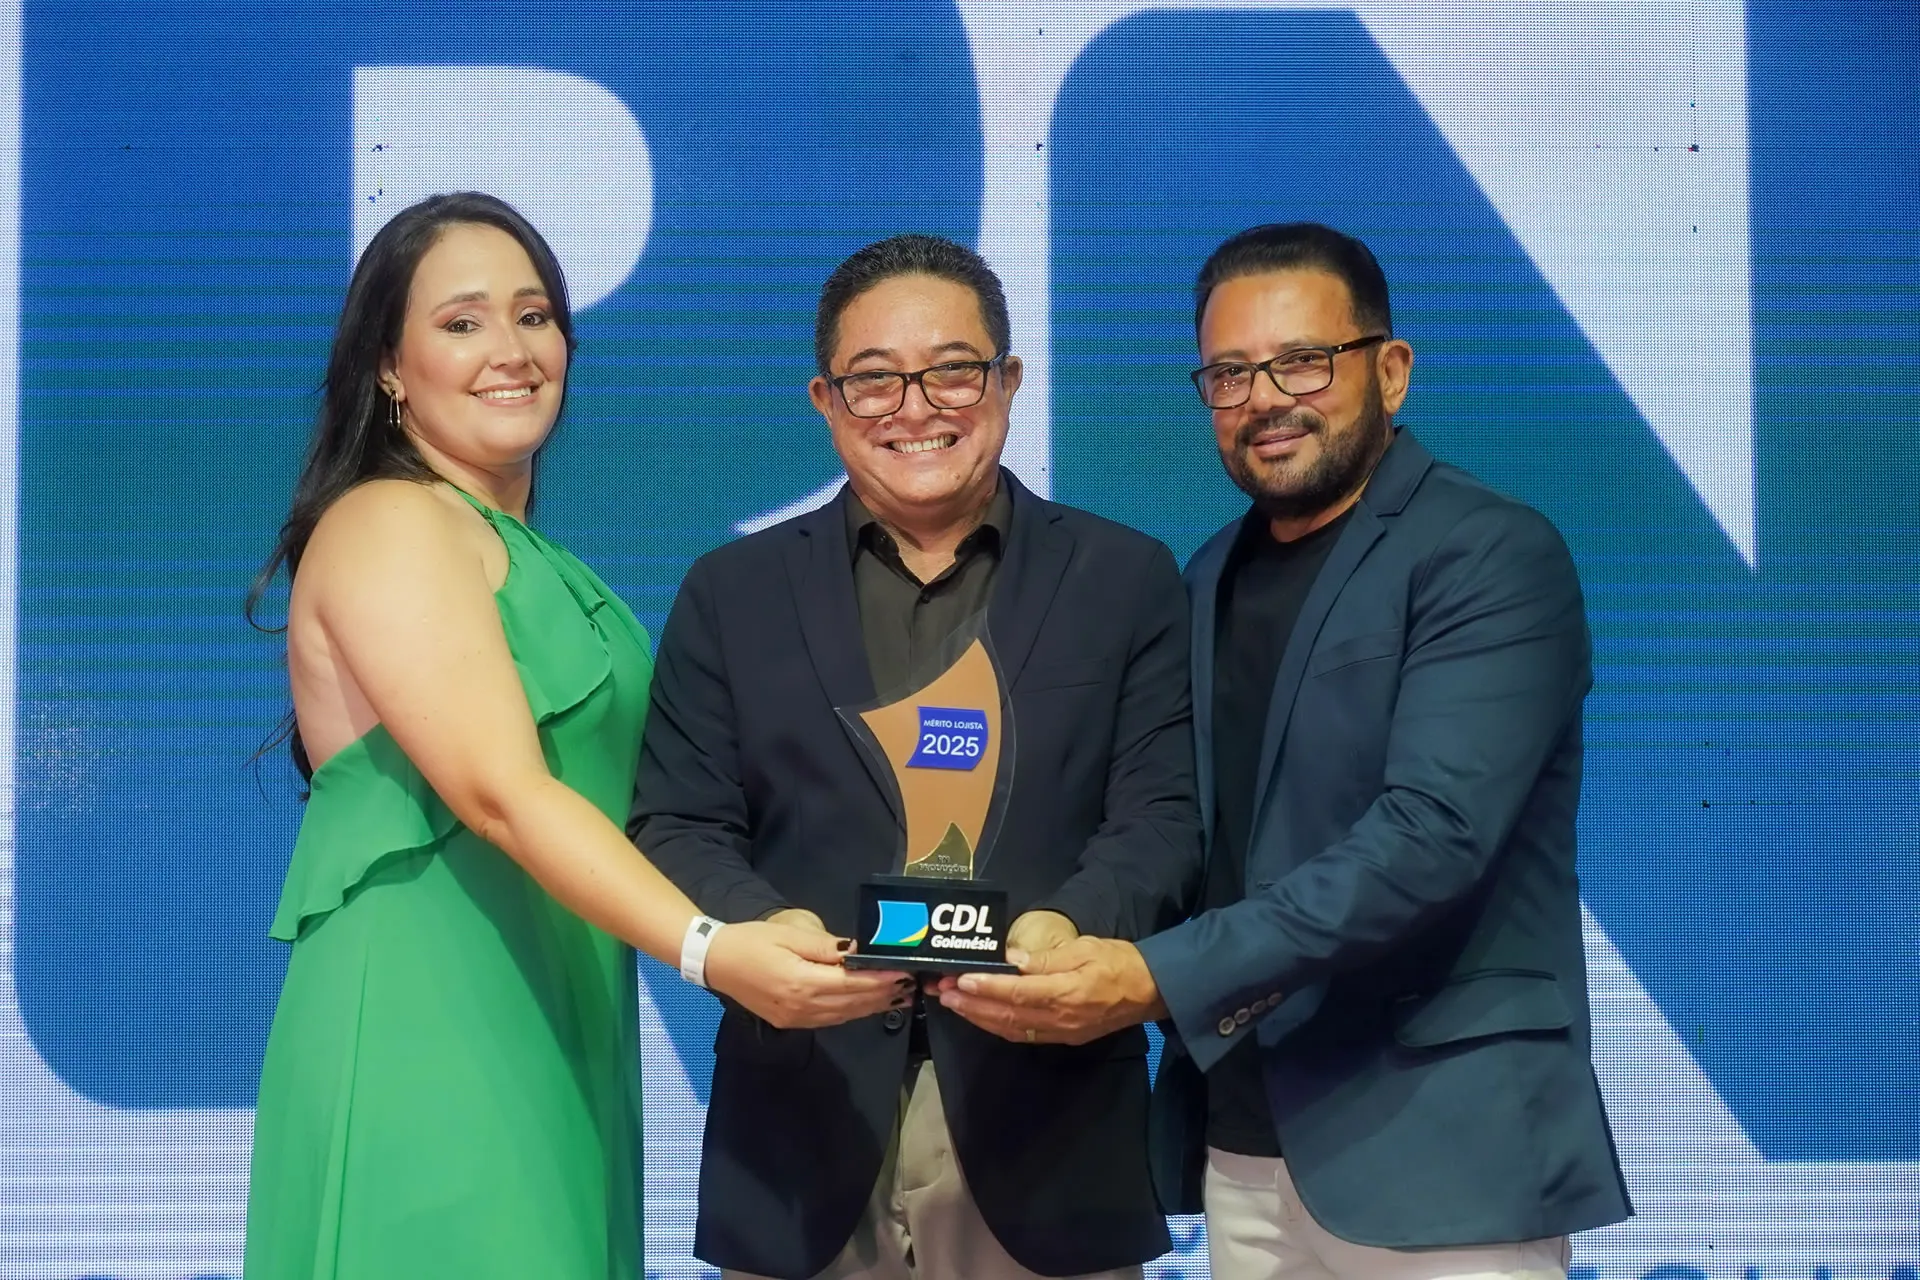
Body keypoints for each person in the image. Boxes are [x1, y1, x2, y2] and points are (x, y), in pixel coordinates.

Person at [937, 222, 1633, 1278]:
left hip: (1441, 1148)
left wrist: (1153, 976)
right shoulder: (1206, 574)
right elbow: (1176, 825)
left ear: (1390, 371)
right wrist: (1054, 926)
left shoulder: (1489, 553)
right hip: (1245, 1141)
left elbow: (1430, 838)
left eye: (1302, 360)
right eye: (1229, 373)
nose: (1265, 397)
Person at [242, 192, 907, 1280]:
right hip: (427, 1029)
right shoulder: (388, 521)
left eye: (535, 315)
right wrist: (712, 948)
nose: (510, 349)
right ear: (390, 366)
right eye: (462, 322)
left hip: (557, 1023)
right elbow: (502, 793)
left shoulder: (542, 560)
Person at [629, 233, 1203, 1280]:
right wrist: (765, 931)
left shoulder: (1125, 577)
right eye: (874, 378)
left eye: (952, 370)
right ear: (824, 399)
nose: (915, 406)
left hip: (1050, 1113)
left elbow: (1161, 815)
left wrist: (1069, 925)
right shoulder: (731, 592)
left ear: (1008, 380)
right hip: (799, 1113)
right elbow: (678, 819)